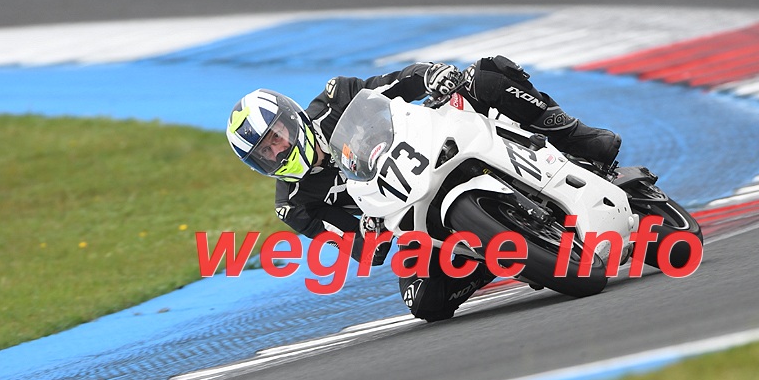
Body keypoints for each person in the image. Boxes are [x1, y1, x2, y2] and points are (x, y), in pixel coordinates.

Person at [226, 56, 622, 321]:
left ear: (290, 117)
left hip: (433, 146)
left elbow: (394, 85)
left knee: (485, 74)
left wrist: (429, 75)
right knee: (423, 303)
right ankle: (493, 253)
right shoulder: (295, 205)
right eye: (265, 153)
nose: (278, 150)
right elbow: (361, 250)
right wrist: (367, 231)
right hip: (411, 217)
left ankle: (576, 137)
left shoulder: (336, 98)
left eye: (276, 136)